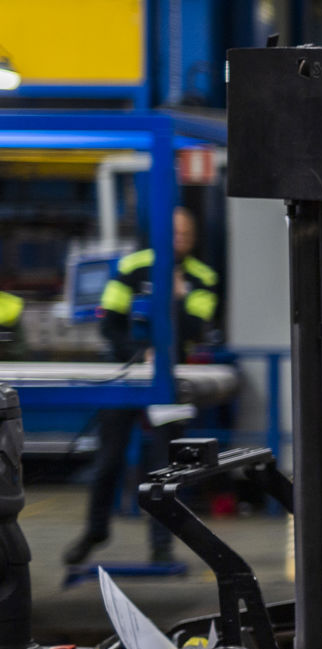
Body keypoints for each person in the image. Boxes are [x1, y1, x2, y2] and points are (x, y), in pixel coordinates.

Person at [61, 206, 219, 568]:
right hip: (128, 376)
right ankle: (95, 531)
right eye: (174, 232)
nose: (179, 240)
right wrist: (138, 353)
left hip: (171, 380)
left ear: (193, 239)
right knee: (108, 459)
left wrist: (177, 297)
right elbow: (110, 325)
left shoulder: (203, 277)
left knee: (165, 465)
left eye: (185, 234)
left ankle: (161, 545)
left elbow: (195, 329)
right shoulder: (131, 268)